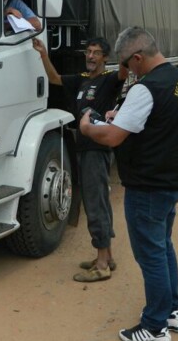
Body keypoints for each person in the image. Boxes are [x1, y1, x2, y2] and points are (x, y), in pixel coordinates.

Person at [79, 26, 178, 341]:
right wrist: (123, 113)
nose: (126, 71)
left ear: (139, 57)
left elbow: (113, 137)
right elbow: (159, 119)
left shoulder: (146, 88)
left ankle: (155, 326)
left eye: (127, 64)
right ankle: (172, 311)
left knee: (150, 255)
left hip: (148, 185)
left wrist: (88, 128)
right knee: (163, 245)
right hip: (173, 181)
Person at [32, 36, 126, 282]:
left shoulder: (109, 80)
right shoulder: (81, 80)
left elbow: (124, 73)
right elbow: (54, 78)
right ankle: (106, 256)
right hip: (84, 148)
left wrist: (127, 50)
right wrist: (43, 53)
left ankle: (103, 264)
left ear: (105, 58)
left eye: (96, 53)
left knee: (96, 204)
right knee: (99, 202)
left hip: (97, 149)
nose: (91, 57)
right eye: (88, 52)